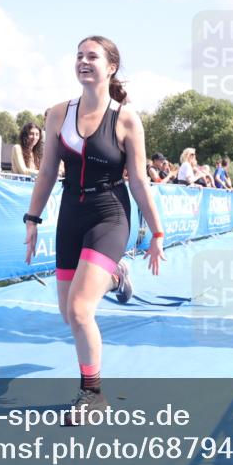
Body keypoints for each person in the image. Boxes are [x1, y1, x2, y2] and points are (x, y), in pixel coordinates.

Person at [23, 36, 166, 425]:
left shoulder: (125, 118)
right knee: (68, 314)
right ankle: (116, 275)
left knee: (82, 310)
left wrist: (156, 232)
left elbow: (138, 181)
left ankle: (93, 394)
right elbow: (48, 172)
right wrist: (32, 219)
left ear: (111, 67)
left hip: (110, 213)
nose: (84, 62)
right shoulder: (57, 114)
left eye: (93, 57)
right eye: (79, 56)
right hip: (72, 213)